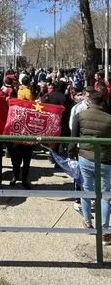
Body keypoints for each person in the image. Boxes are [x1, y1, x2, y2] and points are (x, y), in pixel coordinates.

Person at [68, 90, 111, 245]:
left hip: (85, 157)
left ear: (90, 102)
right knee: (105, 194)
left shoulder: (80, 116)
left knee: (87, 189)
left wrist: (70, 154)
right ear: (103, 103)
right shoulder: (109, 119)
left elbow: (73, 138)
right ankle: (105, 232)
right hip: (105, 159)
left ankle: (87, 222)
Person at [10, 75, 35, 189]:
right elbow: (33, 105)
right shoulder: (28, 92)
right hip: (27, 126)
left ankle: (15, 177)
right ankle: (24, 180)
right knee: (26, 158)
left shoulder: (17, 90)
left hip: (17, 125)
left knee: (16, 157)